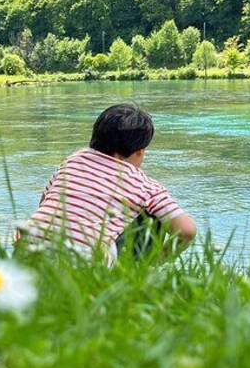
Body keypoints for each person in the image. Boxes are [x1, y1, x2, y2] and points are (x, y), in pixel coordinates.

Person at [22, 103, 196, 266]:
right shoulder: (145, 185)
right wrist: (155, 262)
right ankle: (136, 274)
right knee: (152, 217)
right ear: (139, 152)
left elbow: (44, 202)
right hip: (82, 265)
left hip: (25, 251)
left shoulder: (73, 160)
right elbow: (187, 231)